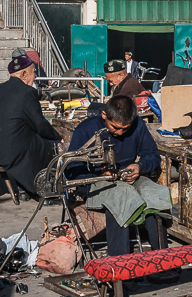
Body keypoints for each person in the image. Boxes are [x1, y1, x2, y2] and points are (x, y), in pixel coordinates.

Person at [67, 95, 170, 256]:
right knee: (120, 198)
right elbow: (71, 169)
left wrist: (139, 166)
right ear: (104, 115)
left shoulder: (137, 125)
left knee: (156, 194)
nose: (120, 133)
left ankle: (163, 258)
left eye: (125, 128)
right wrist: (100, 172)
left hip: (125, 178)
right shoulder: (85, 130)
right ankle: (118, 264)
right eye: (114, 127)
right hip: (92, 183)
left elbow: (153, 155)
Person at [0, 54, 62, 195]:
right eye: (33, 72)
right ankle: (43, 187)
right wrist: (57, 136)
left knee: (22, 133)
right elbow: (40, 125)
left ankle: (23, 189)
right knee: (46, 144)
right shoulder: (27, 93)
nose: (34, 76)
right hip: (7, 152)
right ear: (23, 74)